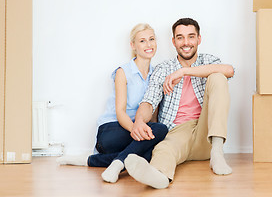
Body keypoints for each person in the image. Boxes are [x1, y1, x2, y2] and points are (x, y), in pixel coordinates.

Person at [124, 18, 235, 189]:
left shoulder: (209, 61)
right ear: (173, 41)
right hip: (177, 132)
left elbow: (229, 70)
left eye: (191, 37)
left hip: (207, 133)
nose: (186, 43)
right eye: (180, 37)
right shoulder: (163, 68)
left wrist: (184, 71)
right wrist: (138, 121)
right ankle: (159, 177)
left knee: (218, 77)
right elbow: (149, 101)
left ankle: (218, 153)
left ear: (199, 39)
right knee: (163, 150)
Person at [56, 23, 168, 184]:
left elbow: (153, 113)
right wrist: (135, 129)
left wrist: (152, 135)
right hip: (112, 132)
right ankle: (116, 160)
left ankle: (100, 161)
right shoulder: (123, 72)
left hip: (136, 134)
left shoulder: (157, 74)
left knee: (157, 140)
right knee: (150, 143)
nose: (148, 44)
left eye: (151, 39)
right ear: (133, 45)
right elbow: (120, 112)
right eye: (142, 41)